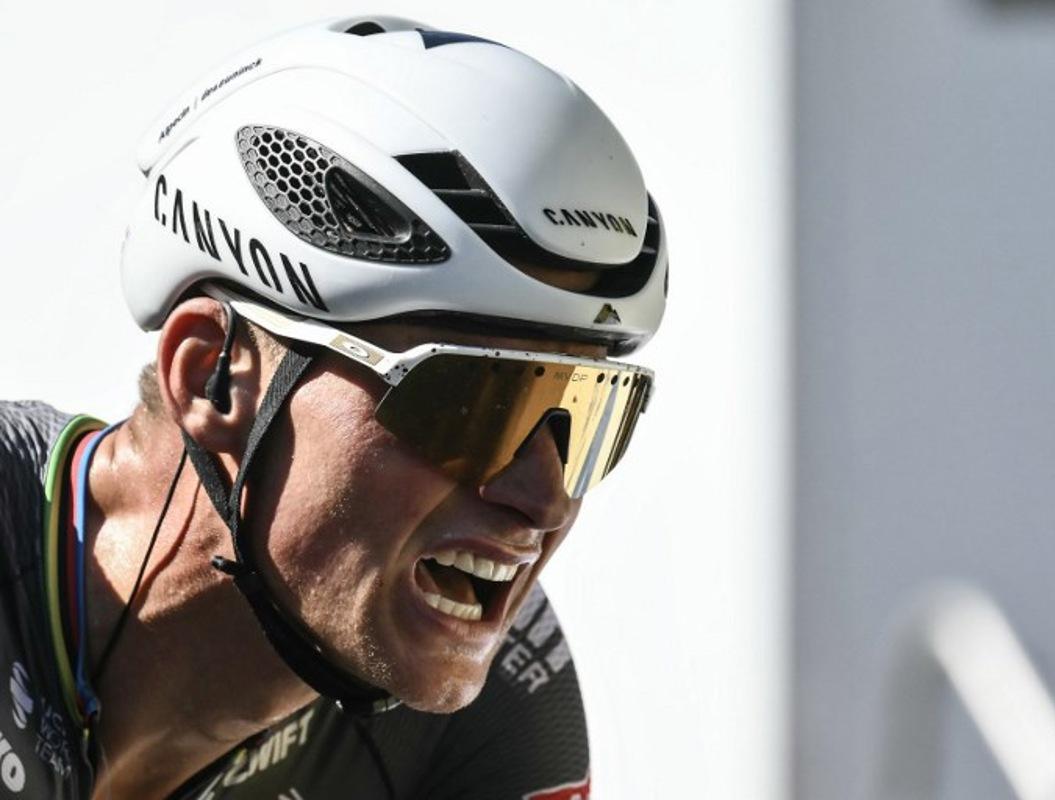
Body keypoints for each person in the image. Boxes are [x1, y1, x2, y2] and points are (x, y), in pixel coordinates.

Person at [0, 15, 666, 799]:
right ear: (213, 376)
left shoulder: (499, 698)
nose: (544, 502)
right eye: (470, 404)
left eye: (589, 417)